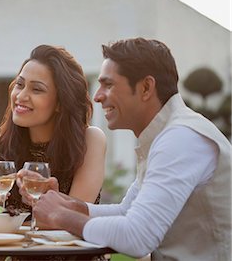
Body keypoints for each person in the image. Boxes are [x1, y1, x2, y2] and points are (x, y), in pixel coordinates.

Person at [32, 38, 231, 260]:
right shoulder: (165, 135)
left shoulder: (181, 138)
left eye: (108, 84)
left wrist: (59, 216)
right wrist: (69, 205)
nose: (97, 96)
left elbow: (137, 237)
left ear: (146, 87)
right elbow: (126, 211)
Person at [0, 44, 106, 224]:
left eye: (36, 89)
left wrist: (44, 204)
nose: (21, 96)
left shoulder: (90, 140)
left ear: (60, 103)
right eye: (20, 85)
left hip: (71, 252)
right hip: (18, 252)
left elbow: (75, 220)